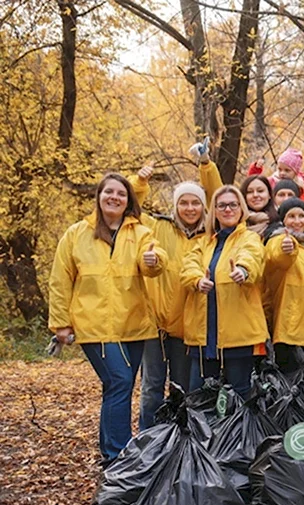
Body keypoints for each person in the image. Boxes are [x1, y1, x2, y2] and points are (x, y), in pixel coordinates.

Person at [48, 174, 166, 463]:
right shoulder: (76, 233)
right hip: (94, 325)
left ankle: (109, 452)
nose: (114, 197)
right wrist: (61, 323)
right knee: (120, 380)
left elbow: (155, 259)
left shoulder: (140, 233)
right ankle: (119, 454)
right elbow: (60, 280)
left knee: (117, 386)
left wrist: (154, 261)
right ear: (99, 197)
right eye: (108, 192)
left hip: (134, 325)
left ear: (128, 201)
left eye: (121, 194)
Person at [132, 168, 209, 429]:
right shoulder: (159, 227)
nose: (189, 208)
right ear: (175, 206)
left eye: (195, 202)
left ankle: (176, 440)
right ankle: (148, 438)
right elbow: (130, 210)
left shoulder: (209, 236)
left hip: (187, 327)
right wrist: (140, 182)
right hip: (155, 325)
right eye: (183, 203)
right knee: (152, 387)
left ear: (203, 206)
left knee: (181, 388)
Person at [180, 185, 268, 398]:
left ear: (241, 209)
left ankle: (239, 433)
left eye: (233, 205)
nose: (228, 209)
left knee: (240, 396)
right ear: (214, 211)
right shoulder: (203, 242)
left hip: (238, 334)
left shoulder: (249, 238)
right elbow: (188, 266)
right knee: (199, 396)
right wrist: (197, 280)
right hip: (203, 335)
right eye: (222, 206)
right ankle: (202, 433)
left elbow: (252, 258)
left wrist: (242, 272)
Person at [264, 198, 304, 383]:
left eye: (301, 216)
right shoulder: (277, 240)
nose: (297, 221)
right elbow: (278, 255)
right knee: (290, 385)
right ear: (283, 220)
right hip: (290, 329)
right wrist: (286, 247)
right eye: (291, 216)